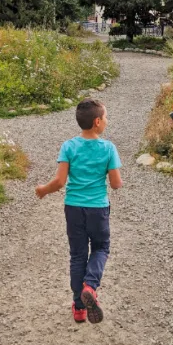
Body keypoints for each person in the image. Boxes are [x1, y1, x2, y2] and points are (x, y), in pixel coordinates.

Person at [35, 99, 123, 324]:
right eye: (105, 118)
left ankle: (79, 307)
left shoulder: (68, 146)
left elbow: (59, 181)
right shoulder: (108, 148)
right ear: (97, 122)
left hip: (73, 208)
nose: (106, 121)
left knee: (77, 255)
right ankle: (91, 286)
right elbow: (115, 184)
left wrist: (43, 190)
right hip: (98, 209)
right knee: (101, 248)